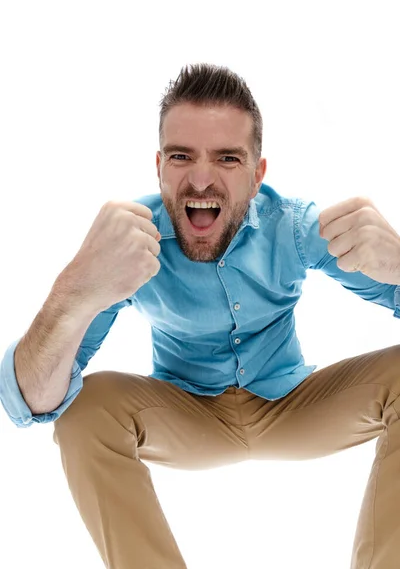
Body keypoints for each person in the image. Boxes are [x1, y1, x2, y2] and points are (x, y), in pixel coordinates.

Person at [1, 63, 400, 569]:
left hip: (292, 404)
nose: (202, 178)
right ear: (159, 167)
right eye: (182, 155)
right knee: (85, 410)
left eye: (228, 158)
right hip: (187, 413)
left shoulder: (295, 227)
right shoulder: (132, 246)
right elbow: (34, 402)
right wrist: (75, 289)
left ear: (257, 175)